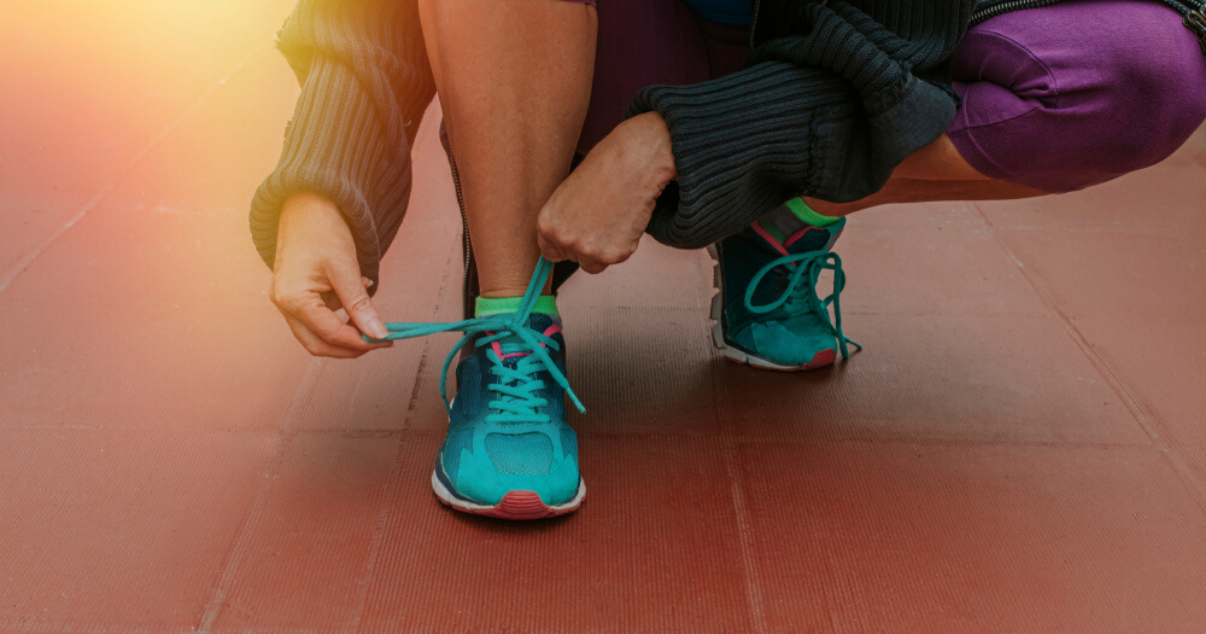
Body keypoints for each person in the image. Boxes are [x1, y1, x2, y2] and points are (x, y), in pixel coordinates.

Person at [251, 0, 1206, 519]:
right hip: (620, 29)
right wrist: (319, 185)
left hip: (857, 40)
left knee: (1146, 66)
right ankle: (511, 318)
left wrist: (682, 142)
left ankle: (779, 217)